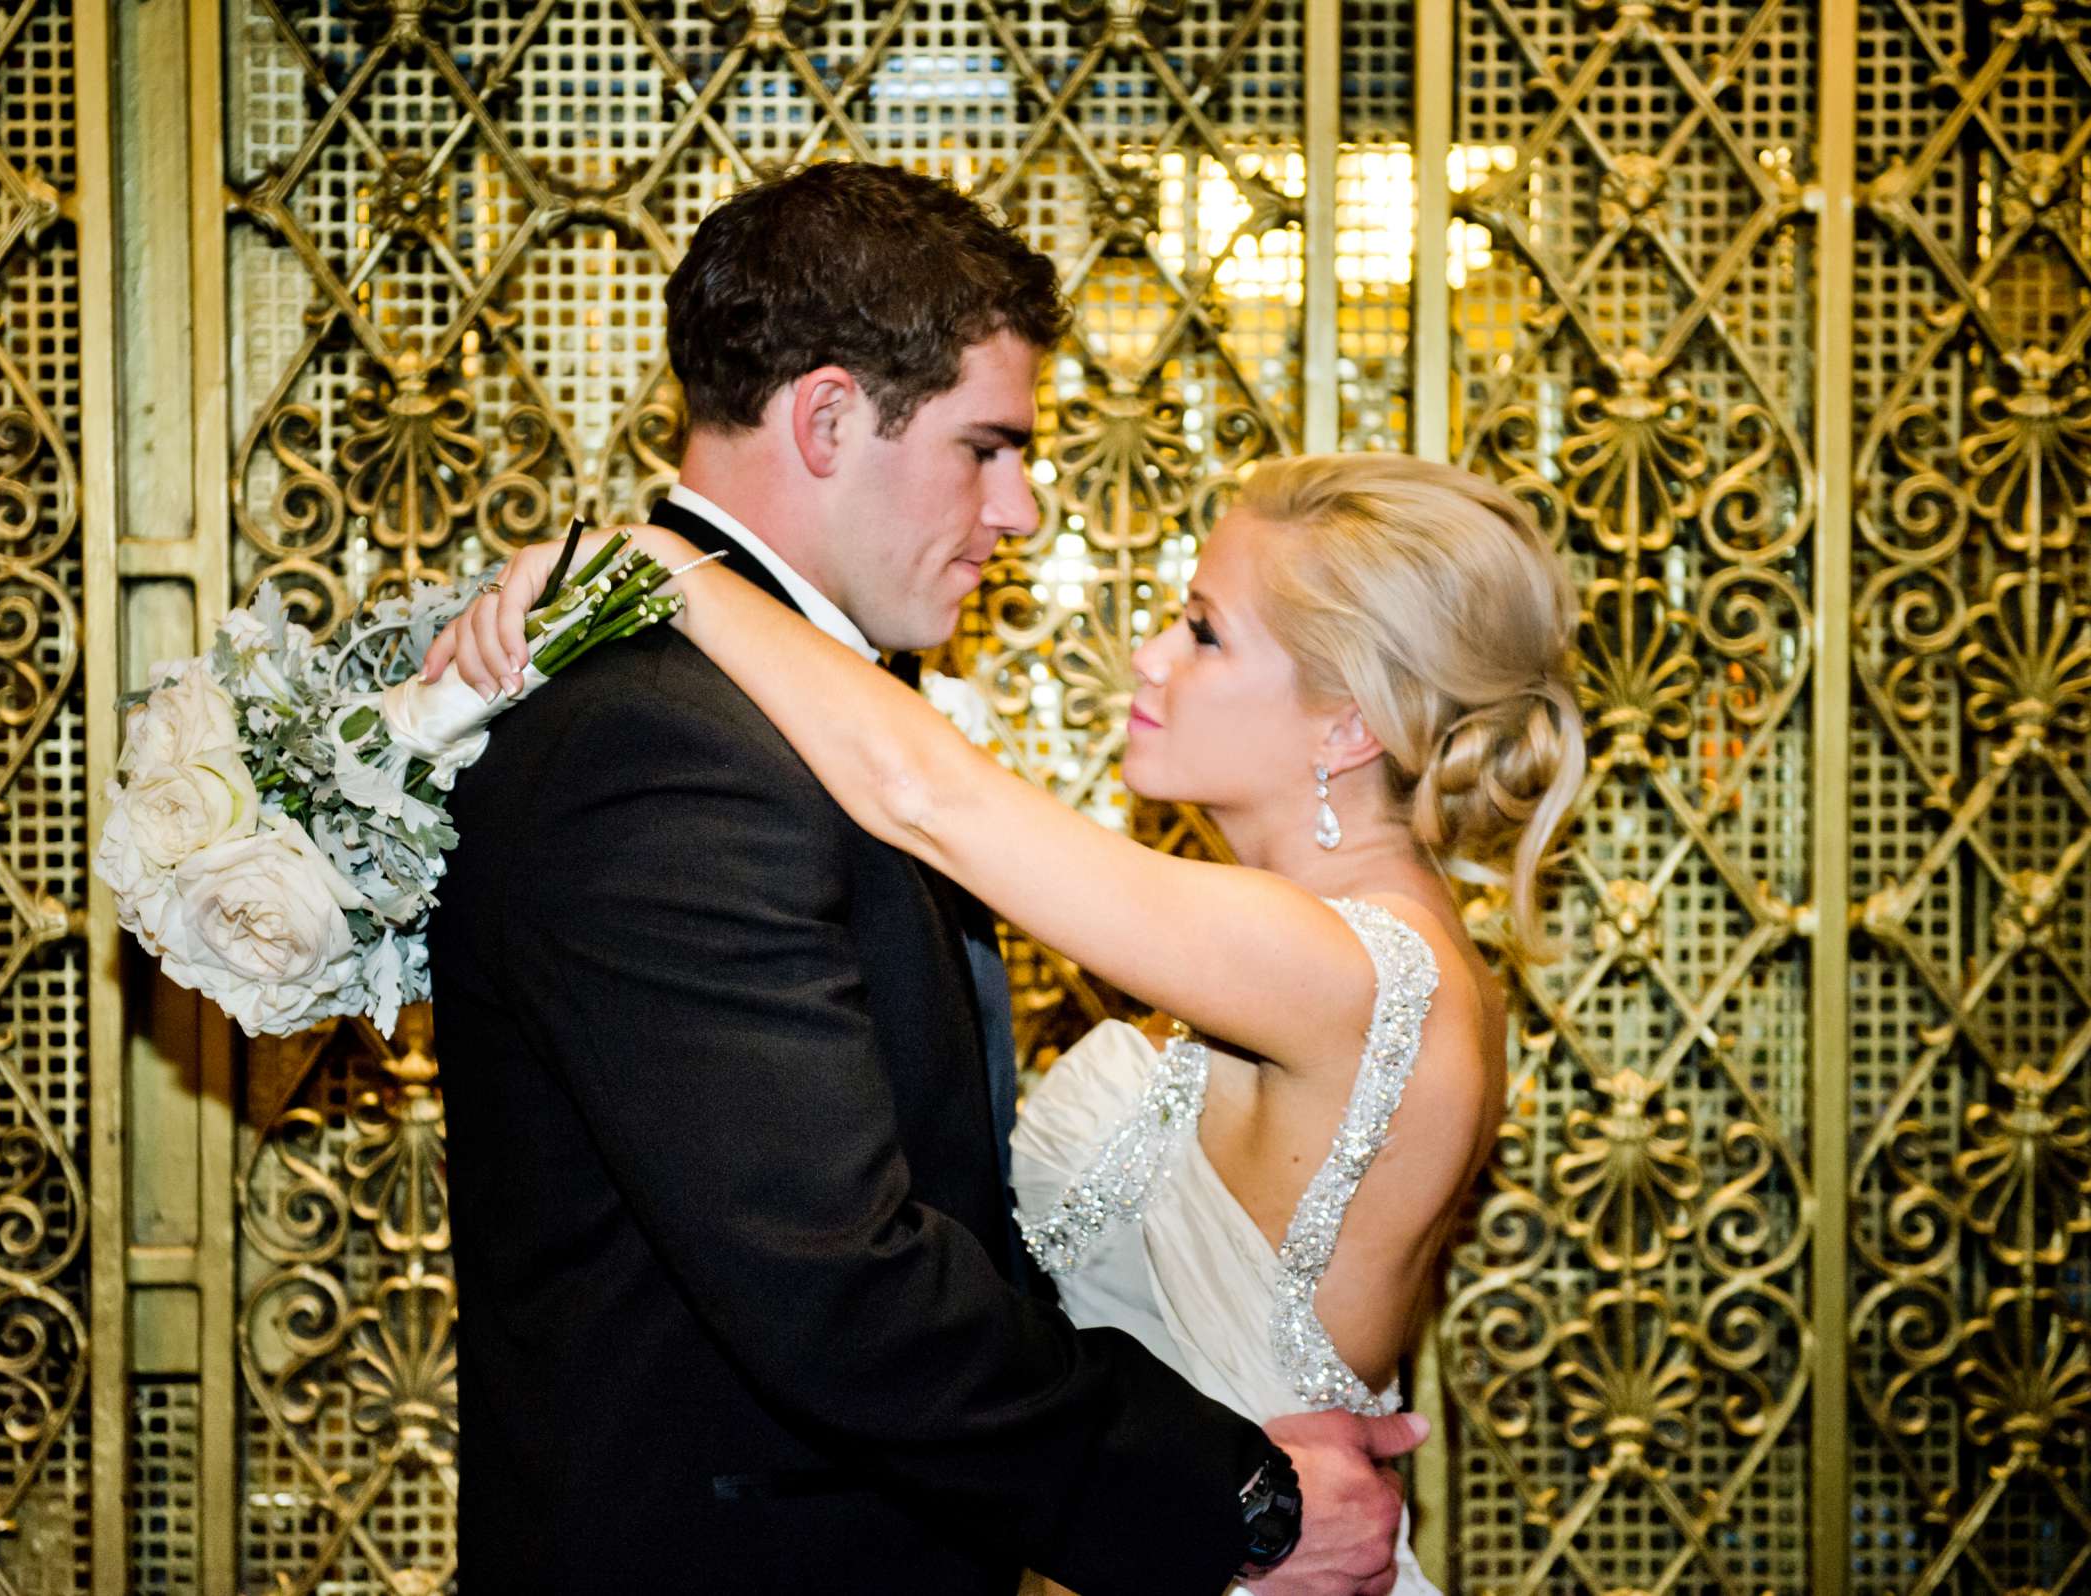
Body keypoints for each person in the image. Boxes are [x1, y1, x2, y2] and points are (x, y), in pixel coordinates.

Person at [419, 162, 1425, 1595]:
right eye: (987, 448)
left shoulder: (763, 703)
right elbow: (839, 1280)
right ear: (829, 416)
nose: (1019, 511)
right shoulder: (660, 744)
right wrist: (1234, 1500)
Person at [431, 451, 1587, 1594]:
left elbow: (927, 797)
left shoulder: (1345, 967)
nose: (1148, 655)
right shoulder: (1322, 950)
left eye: (1202, 629)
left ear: (1347, 726)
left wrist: (673, 571)